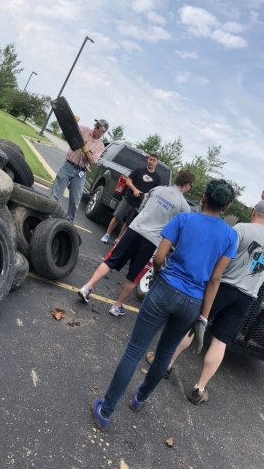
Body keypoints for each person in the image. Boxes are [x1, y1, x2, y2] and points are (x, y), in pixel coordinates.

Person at [90, 180, 238, 430]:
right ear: (226, 207)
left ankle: (106, 410)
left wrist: (160, 274)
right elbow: (215, 279)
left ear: (203, 197)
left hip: (166, 288)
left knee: (134, 351)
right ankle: (140, 398)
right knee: (165, 354)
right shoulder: (230, 235)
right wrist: (203, 317)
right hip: (193, 301)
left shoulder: (183, 219)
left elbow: (158, 257)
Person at [146, 199, 264, 405]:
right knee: (220, 342)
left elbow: (222, 256)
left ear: (254, 212)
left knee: (195, 325)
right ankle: (199, 389)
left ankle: (166, 364)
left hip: (221, 286)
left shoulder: (241, 229)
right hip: (245, 297)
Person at [78, 170, 196, 316]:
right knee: (134, 274)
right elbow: (178, 229)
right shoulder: (184, 206)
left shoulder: (157, 189)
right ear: (187, 185)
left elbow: (142, 208)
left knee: (111, 260)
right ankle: (117, 306)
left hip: (134, 229)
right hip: (152, 240)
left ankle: (87, 286)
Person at [50, 119, 109, 222]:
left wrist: (85, 151)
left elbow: (92, 161)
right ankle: (47, 213)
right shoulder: (84, 129)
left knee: (75, 201)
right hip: (68, 166)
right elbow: (71, 130)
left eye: (98, 127)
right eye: (96, 124)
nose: (95, 127)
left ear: (103, 132)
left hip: (80, 173)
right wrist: (72, 121)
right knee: (55, 193)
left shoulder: (100, 147)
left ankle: (68, 223)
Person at [100, 154, 161, 244]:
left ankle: (118, 240)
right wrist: (135, 190)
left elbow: (155, 191)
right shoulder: (139, 170)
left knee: (128, 223)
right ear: (147, 160)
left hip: (140, 204)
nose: (151, 162)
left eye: (153, 160)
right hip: (128, 198)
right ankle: (107, 235)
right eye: (150, 160)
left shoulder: (157, 178)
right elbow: (128, 181)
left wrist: (147, 194)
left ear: (157, 163)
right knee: (117, 216)